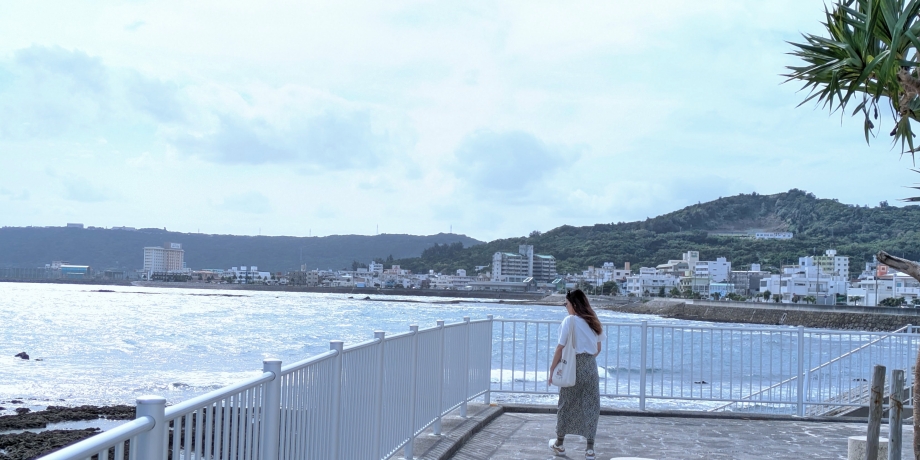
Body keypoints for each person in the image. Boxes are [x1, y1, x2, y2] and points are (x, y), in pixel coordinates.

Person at [548, 289, 605, 460]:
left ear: (573, 304)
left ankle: (559, 444)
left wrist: (552, 369)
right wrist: (587, 360)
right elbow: (598, 349)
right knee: (591, 405)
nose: (566, 307)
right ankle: (590, 449)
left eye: (566, 304)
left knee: (566, 403)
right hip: (590, 367)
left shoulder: (569, 320)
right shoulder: (593, 320)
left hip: (573, 366)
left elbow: (560, 347)